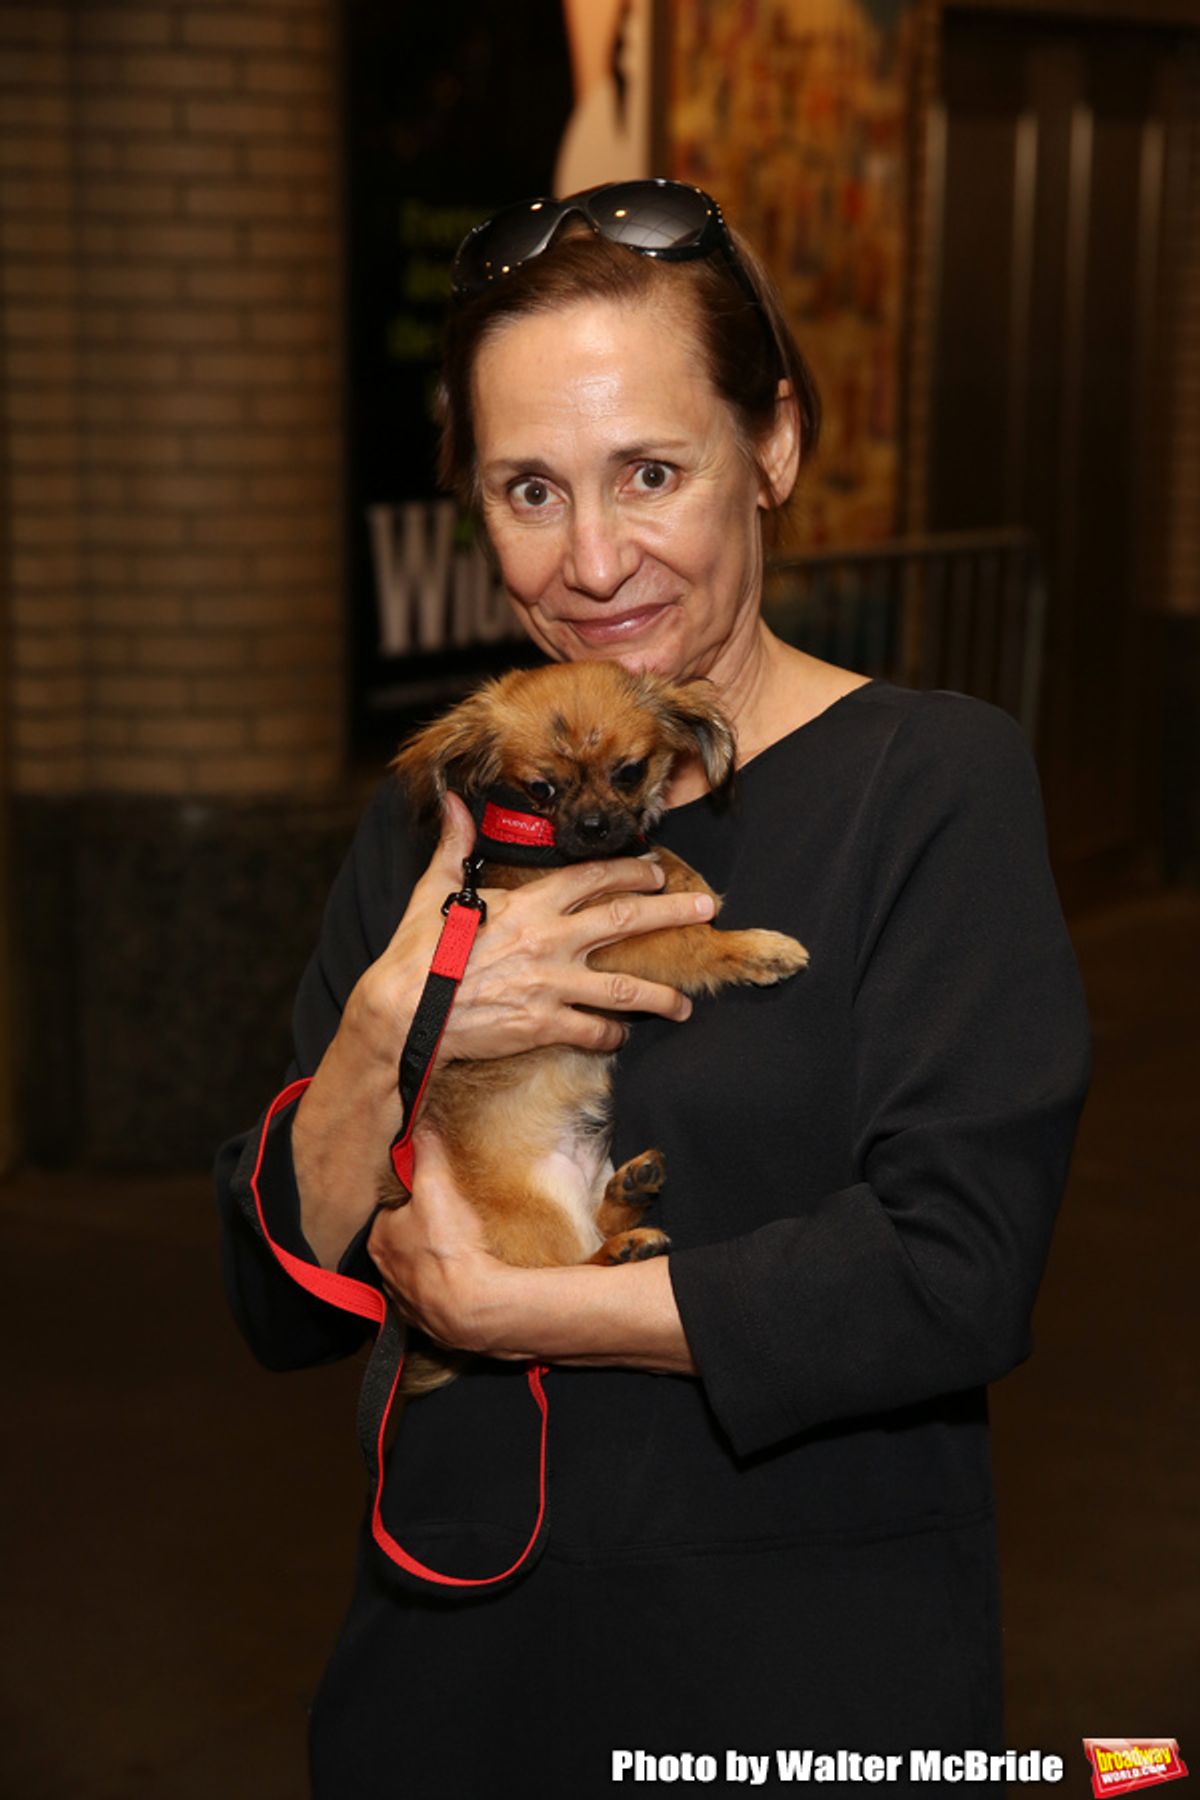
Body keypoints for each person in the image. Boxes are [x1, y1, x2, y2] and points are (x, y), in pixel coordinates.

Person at [215, 180, 1091, 1798]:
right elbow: (275, 1291)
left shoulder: (932, 781)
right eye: (528, 489)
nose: (593, 557)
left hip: (797, 1682)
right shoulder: (438, 814)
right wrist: (385, 1038)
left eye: (654, 473)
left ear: (774, 449)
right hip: (449, 1678)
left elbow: (954, 1270)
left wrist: (514, 1311)